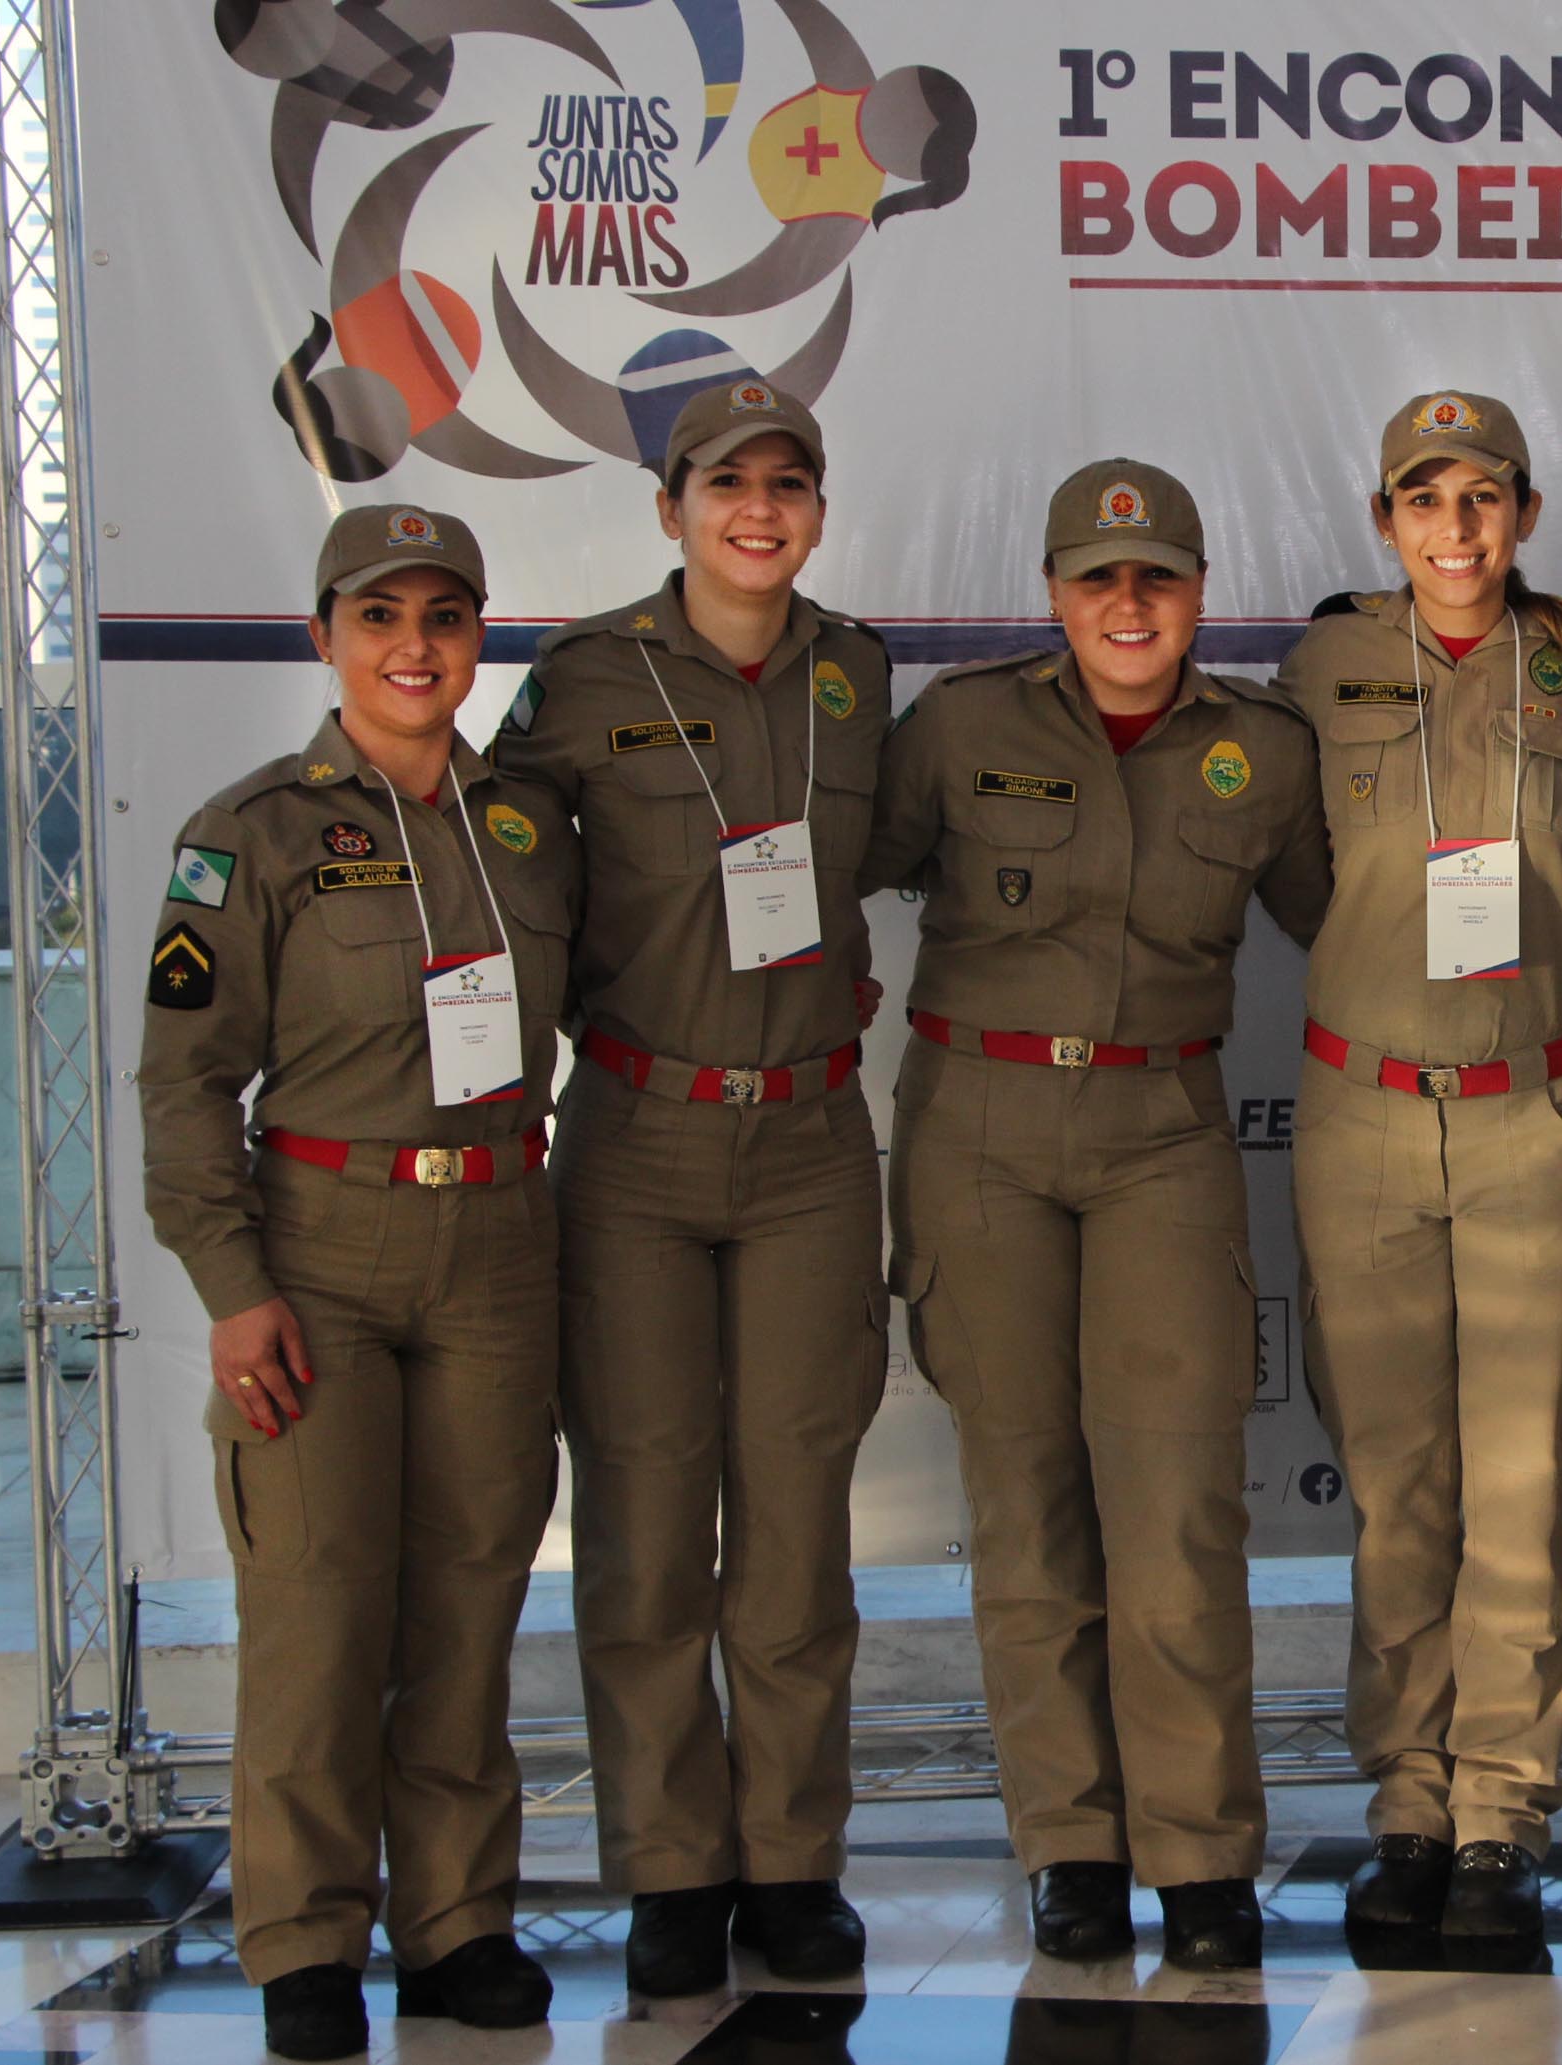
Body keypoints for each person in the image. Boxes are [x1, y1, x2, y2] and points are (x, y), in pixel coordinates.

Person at [861, 459, 1333, 1970]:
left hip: (1161, 1132)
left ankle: (1198, 1854)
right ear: (1054, 595)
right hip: (980, 1131)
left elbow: (1348, 919)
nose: (1128, 605)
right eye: (1097, 578)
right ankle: (1069, 1844)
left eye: (1158, 577)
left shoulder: (1263, 747)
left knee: (1179, 1508)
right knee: (1025, 1504)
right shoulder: (960, 727)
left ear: (1200, 593)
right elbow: (821, 868)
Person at [139, 506, 579, 2059]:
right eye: (379, 616)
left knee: (467, 1599)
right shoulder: (251, 832)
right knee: (319, 1614)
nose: (413, 647)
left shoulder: (530, 824)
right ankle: (306, 1933)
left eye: (444, 616)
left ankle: (457, 1920)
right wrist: (231, 1283)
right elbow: (184, 1082)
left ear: (477, 637)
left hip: (498, 1245)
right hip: (319, 1250)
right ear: (323, 636)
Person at [491, 381, 891, 1993]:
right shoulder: (585, 678)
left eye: (788, 483)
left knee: (794, 1526)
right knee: (646, 1522)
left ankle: (790, 1860)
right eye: (727, 484)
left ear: (817, 510)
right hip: (638, 1140)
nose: (759, 510)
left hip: (808, 1144)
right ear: (671, 510)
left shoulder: (858, 674)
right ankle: (669, 1864)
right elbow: (499, 879)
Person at [1272, 389, 1562, 1938]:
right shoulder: (1324, 668)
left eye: (1482, 498)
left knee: (1523, 1477)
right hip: (1363, 1115)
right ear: (1384, 521)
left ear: (1524, 515)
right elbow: (1297, 874)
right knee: (1399, 1479)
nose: (1455, 528)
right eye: (1424, 500)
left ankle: (1501, 1809)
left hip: (1533, 1111)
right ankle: (1408, 1799)